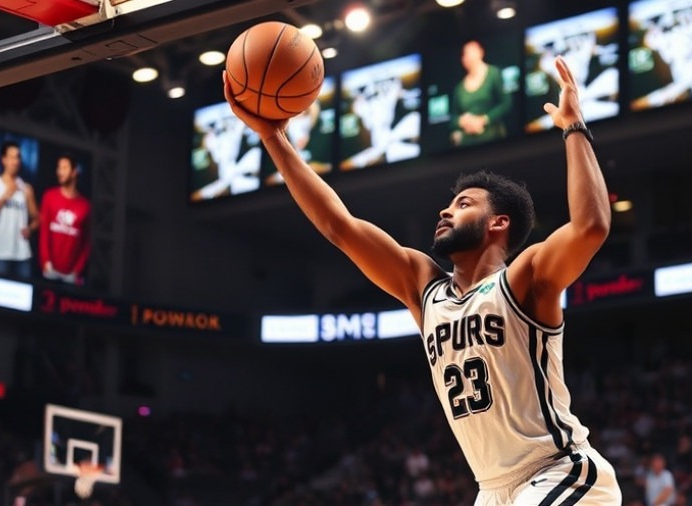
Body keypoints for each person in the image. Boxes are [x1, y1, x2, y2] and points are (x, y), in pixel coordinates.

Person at [222, 55, 621, 505]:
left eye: (464, 204)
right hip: (492, 490)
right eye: (449, 204)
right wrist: (273, 137)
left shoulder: (525, 279)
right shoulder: (424, 287)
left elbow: (590, 228)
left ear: (498, 223)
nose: (445, 210)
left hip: (559, 469)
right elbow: (340, 227)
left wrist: (574, 127)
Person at [0, 140, 39, 279]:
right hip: (0, 252)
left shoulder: (26, 188)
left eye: (18, 157)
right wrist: (5, 197)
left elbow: (37, 218)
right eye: (12, 157)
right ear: (4, 160)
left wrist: (30, 229)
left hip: (22, 254)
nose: (15, 161)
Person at [39, 154, 91, 285]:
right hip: (50, 270)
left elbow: (87, 242)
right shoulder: (49, 196)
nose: (59, 172)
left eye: (64, 168)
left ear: (74, 172)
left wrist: (77, 271)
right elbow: (44, 232)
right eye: (58, 168)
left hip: (71, 276)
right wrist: (45, 262)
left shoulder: (85, 206)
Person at [451, 39, 511, 147]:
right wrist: (462, 121)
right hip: (468, 142)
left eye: (471, 52)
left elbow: (506, 103)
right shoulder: (459, 88)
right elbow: (453, 117)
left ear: (480, 52)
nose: (468, 57)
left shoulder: (493, 73)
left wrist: (483, 120)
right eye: (465, 54)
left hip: (493, 137)